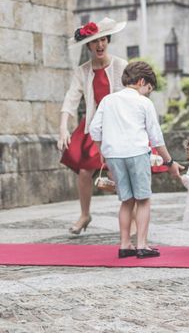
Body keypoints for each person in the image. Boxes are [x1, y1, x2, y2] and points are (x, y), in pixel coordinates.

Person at [89, 61, 182, 259]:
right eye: (149, 89)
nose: (148, 93)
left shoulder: (108, 100)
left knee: (126, 201)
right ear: (141, 81)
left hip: (113, 155)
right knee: (143, 200)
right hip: (137, 153)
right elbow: (156, 138)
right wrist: (169, 161)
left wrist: (101, 151)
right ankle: (142, 244)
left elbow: (94, 129)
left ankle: (124, 244)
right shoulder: (144, 103)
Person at [59, 17, 127, 235]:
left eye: (104, 40)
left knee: (121, 172)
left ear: (108, 40)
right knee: (85, 170)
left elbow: (132, 95)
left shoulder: (120, 65)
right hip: (94, 126)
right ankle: (85, 214)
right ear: (88, 45)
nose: (100, 45)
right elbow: (71, 99)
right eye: (95, 41)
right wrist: (63, 128)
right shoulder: (83, 71)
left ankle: (131, 214)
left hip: (119, 125)